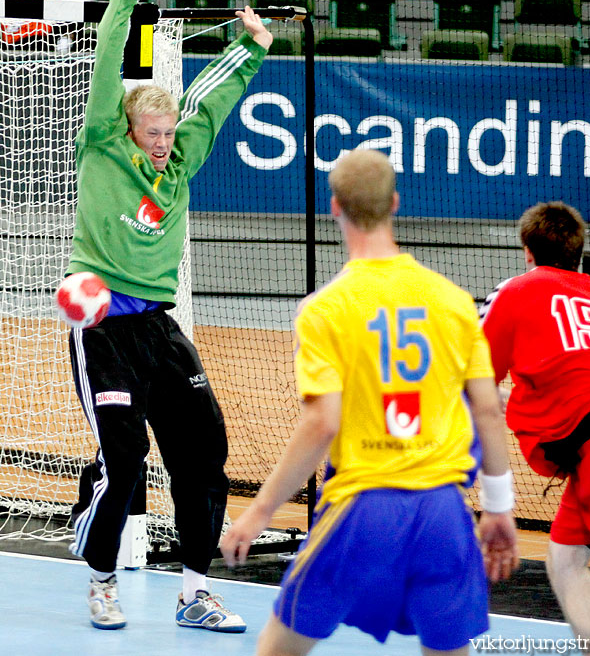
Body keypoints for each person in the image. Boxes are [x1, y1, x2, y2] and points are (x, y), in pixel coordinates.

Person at [221, 149, 519, 656]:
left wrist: (259, 512)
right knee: (448, 650)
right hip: (444, 509)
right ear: (395, 203)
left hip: (363, 506)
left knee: (279, 646)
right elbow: (489, 411)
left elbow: (322, 423)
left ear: (335, 208)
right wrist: (498, 508)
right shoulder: (452, 300)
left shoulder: (324, 309)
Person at [64, 0, 272, 633]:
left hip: (159, 325)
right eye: (153, 133)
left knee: (204, 451)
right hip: (102, 327)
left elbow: (216, 99)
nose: (162, 142)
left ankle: (194, 591)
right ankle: (99, 578)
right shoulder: (102, 144)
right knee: (124, 459)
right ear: (130, 129)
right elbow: (104, 68)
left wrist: (252, 46)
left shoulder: (181, 156)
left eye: (168, 131)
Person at [480, 201, 590, 654]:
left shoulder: (514, 292)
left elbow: (472, 375)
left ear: (527, 250)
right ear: (579, 249)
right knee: (564, 560)